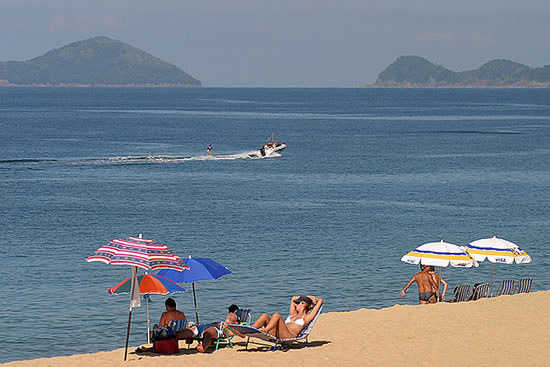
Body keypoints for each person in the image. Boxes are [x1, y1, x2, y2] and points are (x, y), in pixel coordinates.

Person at [251, 296, 323, 339]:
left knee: (277, 315)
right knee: (265, 316)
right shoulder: (293, 314)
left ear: (303, 305)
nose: (295, 305)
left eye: (297, 303)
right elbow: (293, 298)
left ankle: (266, 330)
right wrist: (308, 297)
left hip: (290, 336)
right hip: (279, 333)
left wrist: (312, 299)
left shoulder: (307, 317)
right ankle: (250, 330)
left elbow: (320, 301)